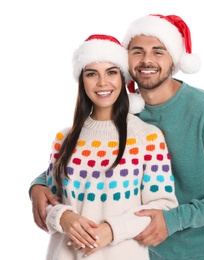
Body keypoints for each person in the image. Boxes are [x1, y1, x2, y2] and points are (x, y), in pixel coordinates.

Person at [30, 14, 204, 260]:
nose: (147, 60)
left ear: (174, 60)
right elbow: (88, 156)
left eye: (158, 52)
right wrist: (39, 184)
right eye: (137, 51)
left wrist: (173, 220)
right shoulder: (124, 111)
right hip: (148, 251)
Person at [33, 33, 178, 260]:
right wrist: (62, 217)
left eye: (111, 72)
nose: (102, 83)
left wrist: (112, 230)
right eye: (92, 74)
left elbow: (163, 204)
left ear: (122, 78)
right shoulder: (64, 138)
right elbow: (49, 200)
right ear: (82, 81)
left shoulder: (148, 137)